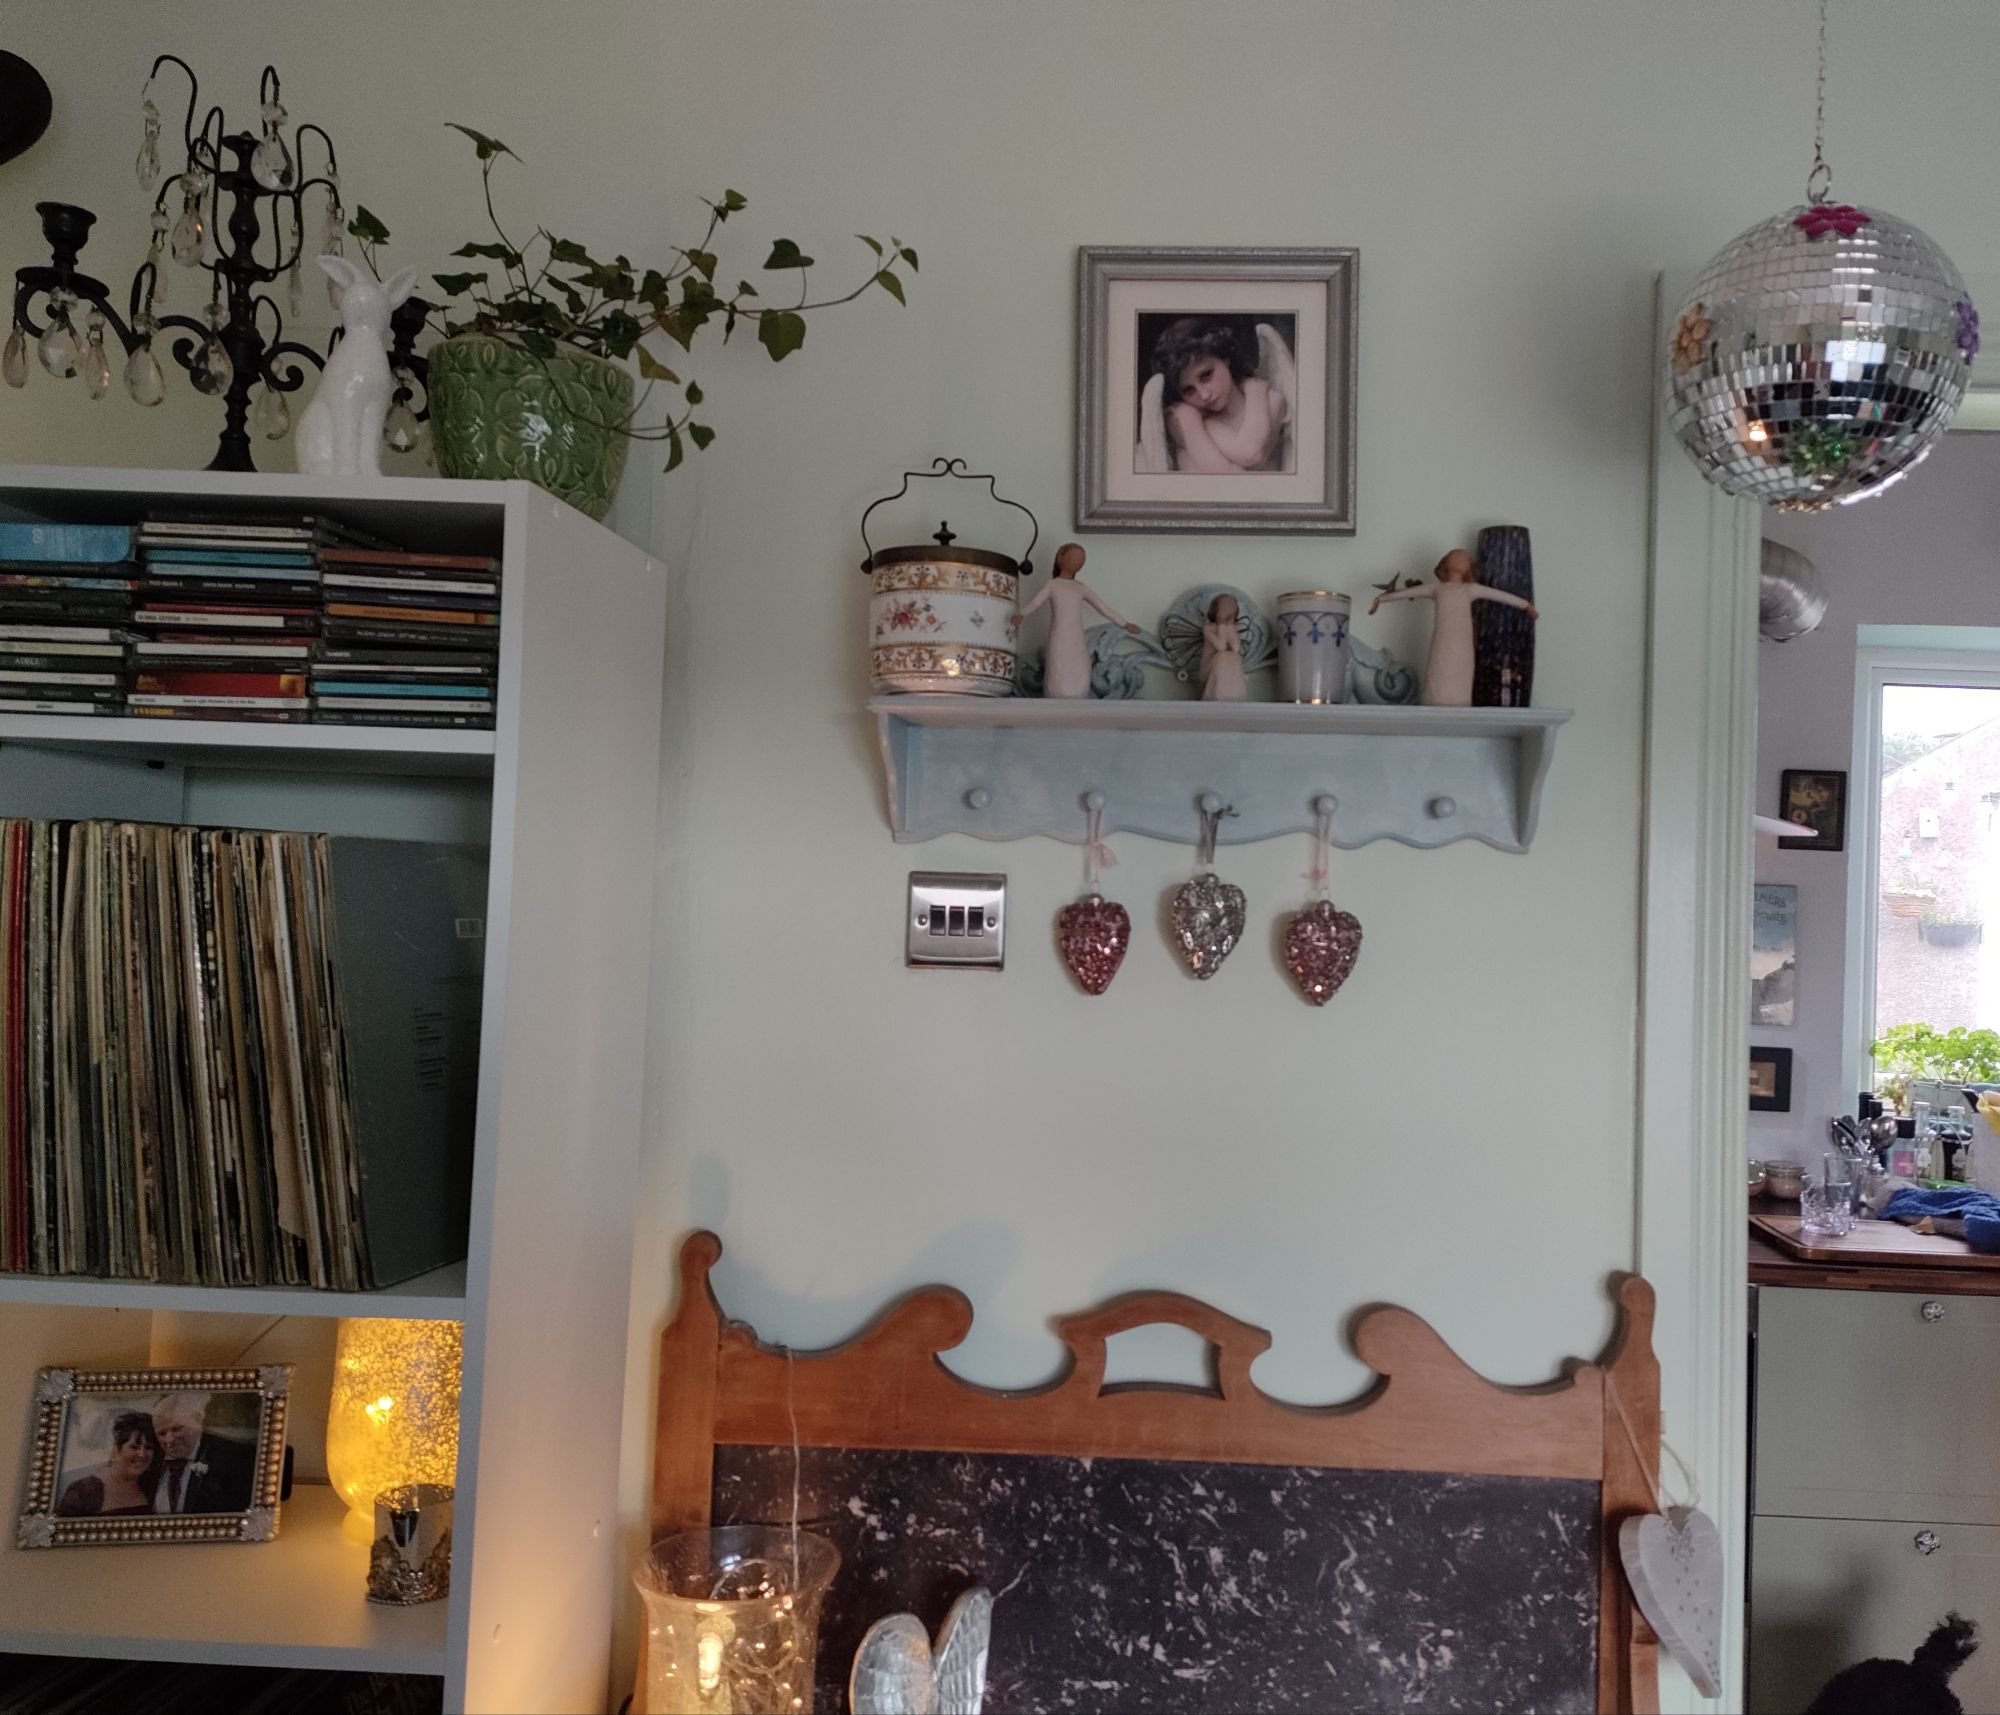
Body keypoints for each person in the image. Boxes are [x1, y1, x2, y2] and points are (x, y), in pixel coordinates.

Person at [1370, 549, 1538, 708]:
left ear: (1468, 567)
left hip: (1462, 640)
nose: (1458, 557)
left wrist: (1525, 605)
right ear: (1445, 563)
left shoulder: (1470, 589)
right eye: (1454, 555)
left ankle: (1459, 697)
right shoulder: (1437, 588)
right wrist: (1381, 599)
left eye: (1462, 556)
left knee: (1460, 665)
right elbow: (1410, 592)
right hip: (1442, 638)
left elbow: (1497, 595)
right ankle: (1434, 698)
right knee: (1440, 662)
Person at [1151, 317, 1289, 474]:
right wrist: (1255, 390)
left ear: (1224, 358)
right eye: (1189, 390)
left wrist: (1255, 392)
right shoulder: (1193, 419)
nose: (1204, 395)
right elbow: (1245, 461)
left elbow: (1252, 456)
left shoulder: (1273, 401)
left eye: (1206, 375)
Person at [1015, 543, 1142, 699]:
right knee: (1058, 659)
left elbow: (1103, 608)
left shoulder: (1081, 588)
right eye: (1073, 558)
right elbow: (1035, 603)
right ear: (1060, 557)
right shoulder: (1053, 585)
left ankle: (1078, 691)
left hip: (1076, 635)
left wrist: (1125, 624)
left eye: (1081, 560)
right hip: (1059, 633)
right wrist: (1021, 615)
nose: (1077, 562)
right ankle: (1057, 691)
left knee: (1078, 661)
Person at [150, 1391, 256, 1516]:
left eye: (177, 1429)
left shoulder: (234, 1459)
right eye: (162, 1433)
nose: (169, 1440)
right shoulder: (148, 1461)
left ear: (198, 1420)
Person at [55, 1411, 162, 1516]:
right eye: (134, 1447)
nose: (142, 1454)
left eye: (148, 1448)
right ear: (117, 1450)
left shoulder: (152, 1484)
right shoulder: (83, 1491)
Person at [1200, 593, 1248, 701]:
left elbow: (1235, 648)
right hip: (1208, 669)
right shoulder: (1208, 628)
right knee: (1223, 656)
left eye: (1232, 611)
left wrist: (1230, 629)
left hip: (1223, 664)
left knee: (1234, 657)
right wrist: (1221, 625)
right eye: (1224, 610)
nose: (1228, 614)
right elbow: (1220, 646)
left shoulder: (1231, 627)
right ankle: (1218, 695)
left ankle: (1234, 695)